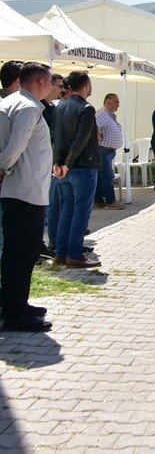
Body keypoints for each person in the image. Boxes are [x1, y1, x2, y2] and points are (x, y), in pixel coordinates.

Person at [0, 62, 55, 332]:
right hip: (25, 191)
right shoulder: (28, 107)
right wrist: (3, 168)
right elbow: (14, 148)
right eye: (50, 81)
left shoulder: (12, 101)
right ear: (41, 83)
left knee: (17, 252)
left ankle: (15, 304)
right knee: (22, 253)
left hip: (22, 190)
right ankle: (14, 312)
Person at [52, 70, 101, 268]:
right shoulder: (87, 108)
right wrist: (67, 163)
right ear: (86, 85)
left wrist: (58, 163)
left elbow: (57, 137)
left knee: (67, 210)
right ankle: (74, 254)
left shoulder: (60, 105)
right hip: (81, 167)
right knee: (81, 212)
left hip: (63, 167)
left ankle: (61, 253)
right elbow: (81, 139)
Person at [41, 74, 66, 254]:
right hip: (44, 163)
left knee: (52, 202)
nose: (61, 90)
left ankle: (49, 241)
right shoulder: (39, 108)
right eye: (59, 86)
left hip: (52, 161)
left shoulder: (51, 107)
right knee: (48, 202)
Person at [94, 93, 124, 209]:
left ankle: (98, 200)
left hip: (107, 151)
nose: (118, 105)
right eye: (116, 102)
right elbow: (93, 125)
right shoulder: (102, 113)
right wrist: (97, 135)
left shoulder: (110, 115)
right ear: (109, 102)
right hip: (103, 150)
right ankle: (111, 201)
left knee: (101, 177)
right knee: (107, 176)